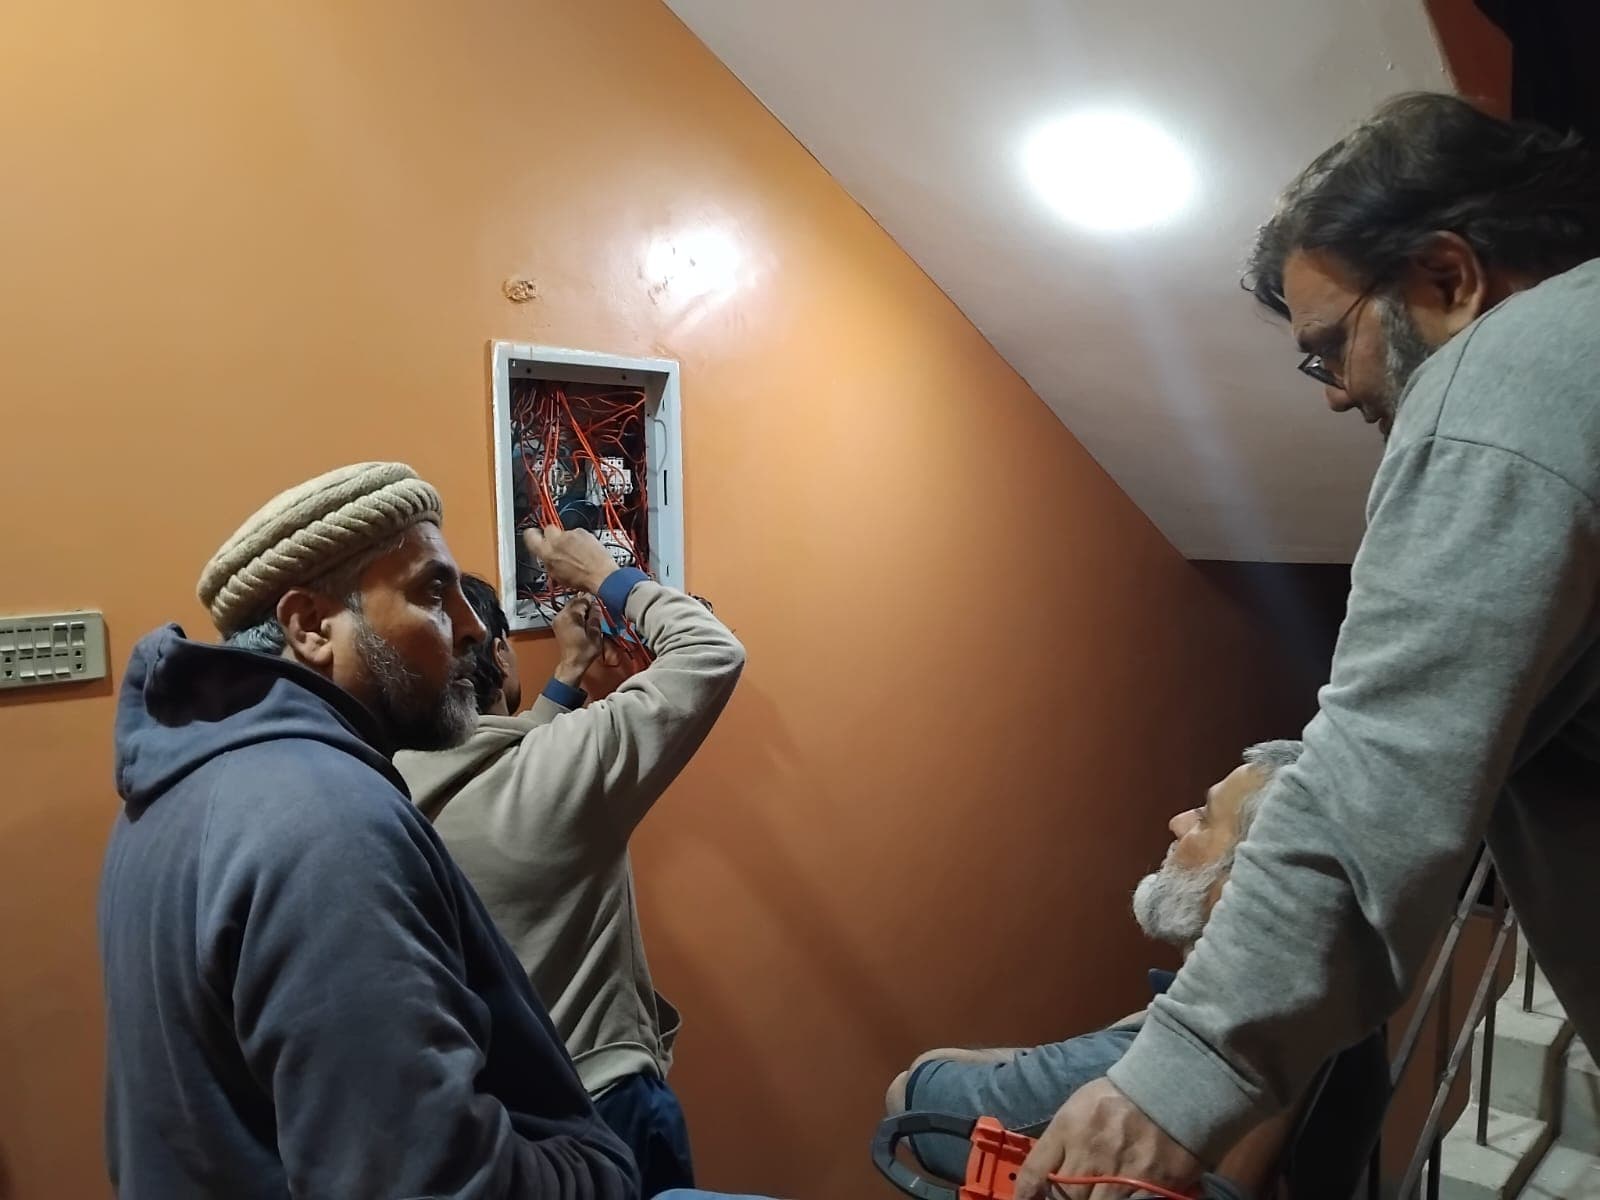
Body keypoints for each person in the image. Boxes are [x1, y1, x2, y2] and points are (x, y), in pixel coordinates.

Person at [1020, 93, 1600, 1200]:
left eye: (1331, 347)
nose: (1336, 395)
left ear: (1448, 277)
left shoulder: (1506, 374)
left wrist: (1175, 1079)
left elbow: (1378, 773)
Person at [99, 462, 764, 1200]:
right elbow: (433, 1180)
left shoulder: (180, 791)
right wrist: (597, 1170)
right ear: (311, 625)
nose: (471, 629)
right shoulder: (331, 823)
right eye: (433, 594)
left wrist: (566, 676)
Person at [394, 528, 745, 1198]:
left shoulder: (384, 787)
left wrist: (568, 674)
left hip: (490, 1124)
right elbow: (711, 651)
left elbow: (503, 762)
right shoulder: (563, 773)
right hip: (606, 1104)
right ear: (499, 653)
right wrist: (604, 574)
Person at [886, 744, 1386, 1200]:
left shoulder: (1160, 1070)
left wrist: (1125, 1035)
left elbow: (913, 1099)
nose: (1177, 823)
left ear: (1245, 886)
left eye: (1205, 819)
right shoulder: (1350, 1037)